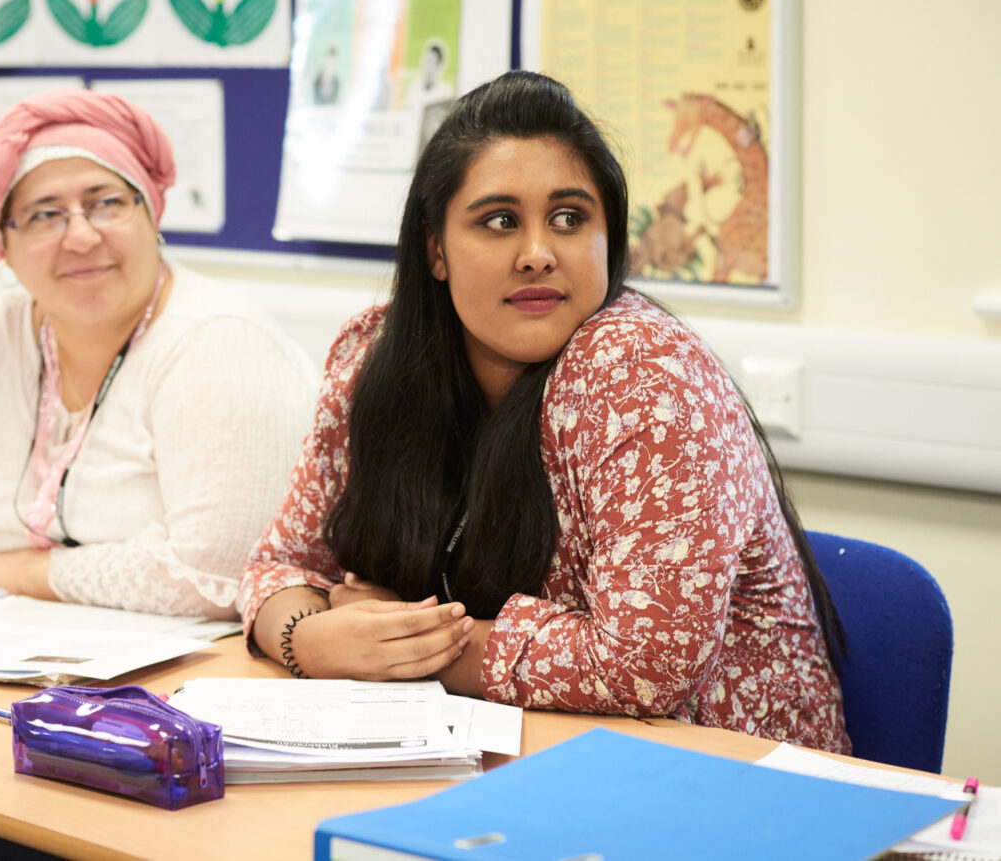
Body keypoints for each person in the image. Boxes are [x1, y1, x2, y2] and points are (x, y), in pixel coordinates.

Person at [240, 70, 851, 753]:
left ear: (607, 238)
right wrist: (309, 637)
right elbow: (279, 565)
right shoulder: (373, 357)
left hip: (736, 785)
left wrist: (400, 640)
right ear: (436, 248)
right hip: (508, 754)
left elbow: (644, 668)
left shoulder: (645, 372)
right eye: (499, 221)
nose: (538, 254)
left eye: (569, 218)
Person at [0, 89, 317, 618]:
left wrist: (25, 573)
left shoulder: (220, 342)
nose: (82, 236)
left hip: (179, 677)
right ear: (4, 248)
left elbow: (218, 573)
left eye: (106, 203)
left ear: (151, 214)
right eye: (45, 215)